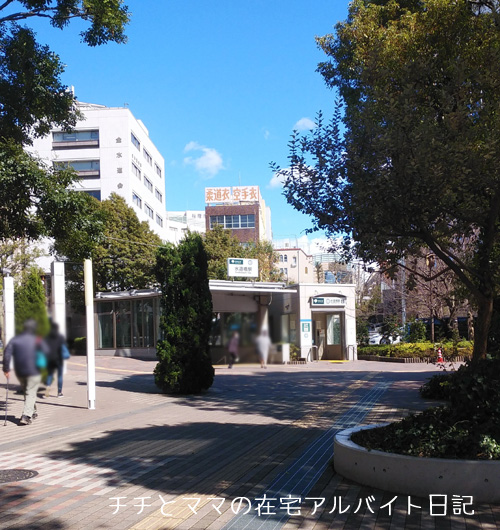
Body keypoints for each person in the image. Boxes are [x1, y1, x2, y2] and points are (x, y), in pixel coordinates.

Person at [2, 319, 48, 425]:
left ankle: (33, 412)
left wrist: (6, 369)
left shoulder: (15, 340)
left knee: (28, 392)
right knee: (30, 392)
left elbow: (7, 354)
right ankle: (26, 416)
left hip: (21, 372)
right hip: (34, 370)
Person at [44, 322, 67, 398]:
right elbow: (63, 347)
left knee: (50, 374)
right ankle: (59, 392)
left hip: (50, 359)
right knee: (60, 376)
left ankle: (47, 390)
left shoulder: (47, 337)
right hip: (59, 359)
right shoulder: (60, 337)